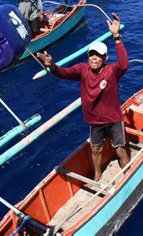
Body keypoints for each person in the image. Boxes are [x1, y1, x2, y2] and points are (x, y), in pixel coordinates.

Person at [37, 13, 130, 181]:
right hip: (95, 121)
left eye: (98, 55)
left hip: (113, 119)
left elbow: (124, 64)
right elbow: (63, 73)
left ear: (105, 58)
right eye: (91, 54)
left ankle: (128, 174)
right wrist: (51, 65)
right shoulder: (82, 69)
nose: (94, 57)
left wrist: (116, 37)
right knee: (95, 150)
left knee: (120, 149)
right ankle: (97, 174)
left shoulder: (112, 71)